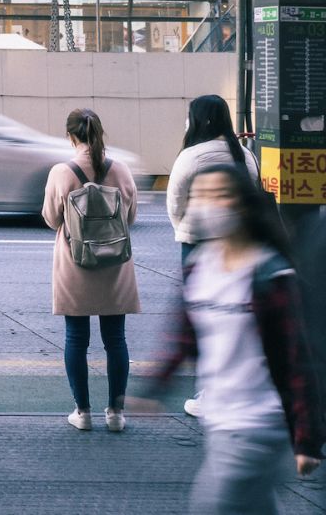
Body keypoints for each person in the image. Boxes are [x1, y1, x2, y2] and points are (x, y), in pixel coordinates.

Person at [140, 165, 323, 512]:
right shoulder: (199, 266)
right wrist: (155, 387)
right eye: (200, 195)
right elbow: (185, 336)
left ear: (242, 204)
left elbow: (296, 361)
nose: (208, 204)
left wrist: (307, 437)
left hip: (260, 424)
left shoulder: (269, 274)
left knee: (210, 506)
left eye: (219, 194)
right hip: (220, 420)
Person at [43, 108, 139, 432]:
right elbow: (131, 216)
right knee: (116, 339)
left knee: (76, 337)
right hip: (115, 265)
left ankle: (82, 413)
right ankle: (116, 413)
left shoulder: (62, 172)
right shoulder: (122, 170)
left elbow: (51, 218)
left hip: (76, 264)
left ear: (71, 137)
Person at [165, 94, 258, 419]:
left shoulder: (190, 157)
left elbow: (174, 203)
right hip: (238, 245)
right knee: (237, 317)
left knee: (202, 318)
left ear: (196, 119)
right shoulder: (244, 155)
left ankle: (208, 392)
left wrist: (188, 228)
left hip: (197, 245)